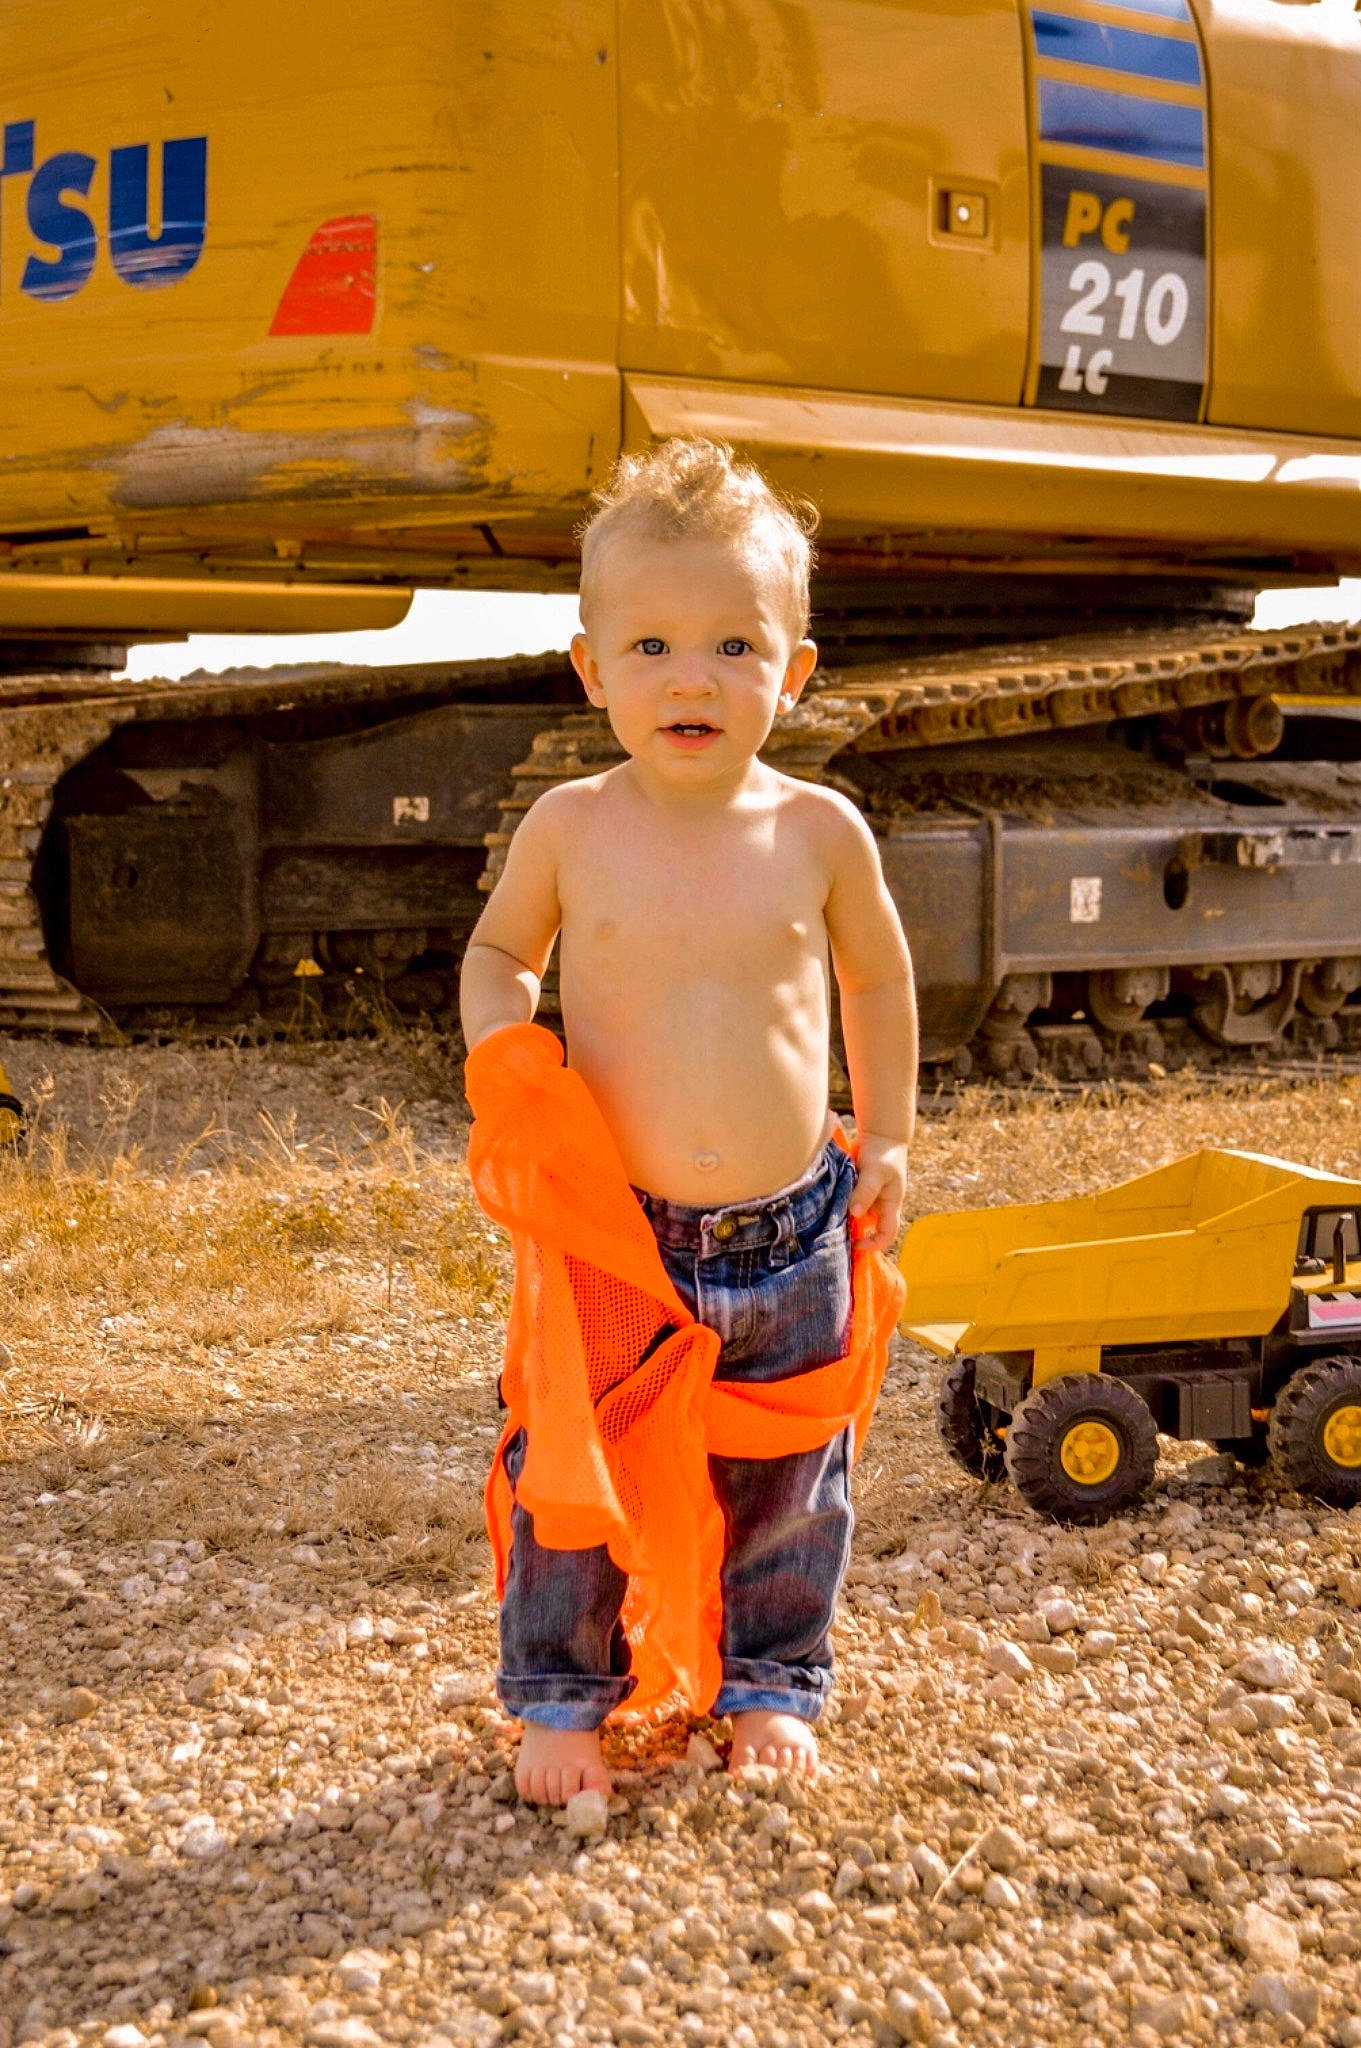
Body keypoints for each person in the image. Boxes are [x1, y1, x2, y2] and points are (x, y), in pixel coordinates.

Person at [460, 438, 917, 1804]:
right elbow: (499, 957)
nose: (691, 676)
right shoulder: (570, 824)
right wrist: (504, 1047)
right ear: (592, 668)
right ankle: (562, 1698)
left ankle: (771, 1682)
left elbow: (875, 978)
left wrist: (886, 1135)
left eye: (733, 644)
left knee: (788, 1477)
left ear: (792, 671)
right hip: (620, 1238)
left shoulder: (819, 829)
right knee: (576, 1470)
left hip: (793, 1230)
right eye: (651, 644)